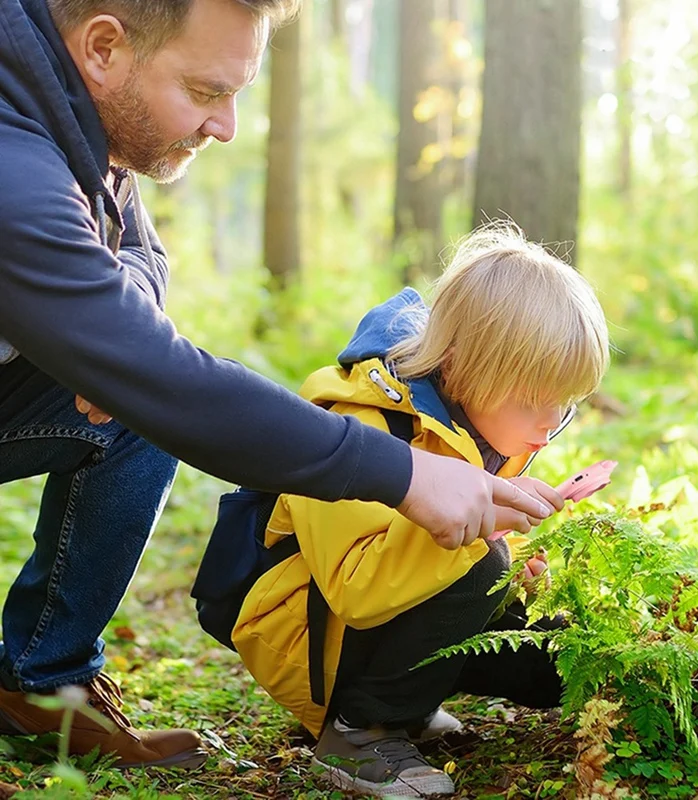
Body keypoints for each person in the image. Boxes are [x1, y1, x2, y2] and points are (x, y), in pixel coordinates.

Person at [0, 0, 551, 770]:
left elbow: (138, 242)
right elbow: (177, 386)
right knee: (154, 398)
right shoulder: (13, 163)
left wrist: (106, 341)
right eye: (205, 92)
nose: (226, 126)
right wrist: (402, 472)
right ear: (102, 47)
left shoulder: (60, 109)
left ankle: (40, 685)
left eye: (235, 92)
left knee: (136, 413)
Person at [231, 225, 611, 798]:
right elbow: (355, 591)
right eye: (533, 400)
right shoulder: (356, 426)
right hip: (310, 637)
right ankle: (361, 731)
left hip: (383, 616)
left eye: (564, 405)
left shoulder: (479, 424)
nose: (546, 424)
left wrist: (521, 567)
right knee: (478, 562)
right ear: (461, 368)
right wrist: (491, 539)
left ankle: (403, 703)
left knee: (555, 662)